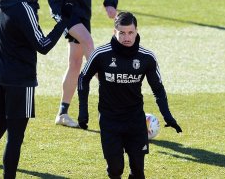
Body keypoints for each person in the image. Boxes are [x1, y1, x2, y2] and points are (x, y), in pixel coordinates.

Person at [0, 0, 72, 178]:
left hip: (0, 77)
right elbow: (43, 45)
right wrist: (63, 22)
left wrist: (8, 54)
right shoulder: (25, 10)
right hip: (21, 82)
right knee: (15, 139)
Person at [77, 11, 182, 178]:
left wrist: (167, 115)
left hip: (135, 120)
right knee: (115, 169)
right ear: (114, 32)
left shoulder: (146, 57)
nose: (127, 37)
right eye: (122, 33)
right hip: (109, 120)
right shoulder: (101, 54)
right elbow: (83, 78)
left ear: (137, 31)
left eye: (131, 32)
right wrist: (83, 111)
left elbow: (158, 88)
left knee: (138, 171)